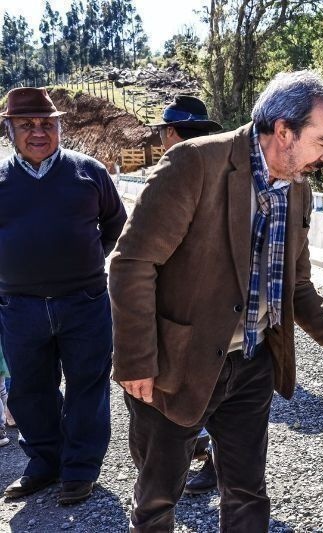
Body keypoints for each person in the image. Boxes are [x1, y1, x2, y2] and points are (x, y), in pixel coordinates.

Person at [109, 70, 323, 532]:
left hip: (253, 364)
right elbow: (132, 263)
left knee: (247, 493)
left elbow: (297, 287)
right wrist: (138, 358)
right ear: (284, 130)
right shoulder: (194, 163)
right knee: (159, 496)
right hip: (176, 365)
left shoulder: (298, 189)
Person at [0, 87, 126, 504]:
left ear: (59, 127)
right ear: (10, 129)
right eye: (27, 124)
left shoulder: (89, 171)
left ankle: (80, 469)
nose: (38, 131)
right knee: (29, 389)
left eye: (47, 123)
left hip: (85, 302)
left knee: (87, 388)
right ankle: (43, 464)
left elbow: (115, 224)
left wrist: (87, 262)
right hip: (19, 308)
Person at [147, 94, 225, 496]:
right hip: (220, 314)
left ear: (170, 134)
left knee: (188, 396)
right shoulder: (227, 176)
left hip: (185, 316)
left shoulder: (167, 176)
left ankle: (191, 469)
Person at [148, 94, 224, 150]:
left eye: (160, 129)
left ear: (169, 130)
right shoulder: (218, 164)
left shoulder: (170, 168)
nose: (160, 134)